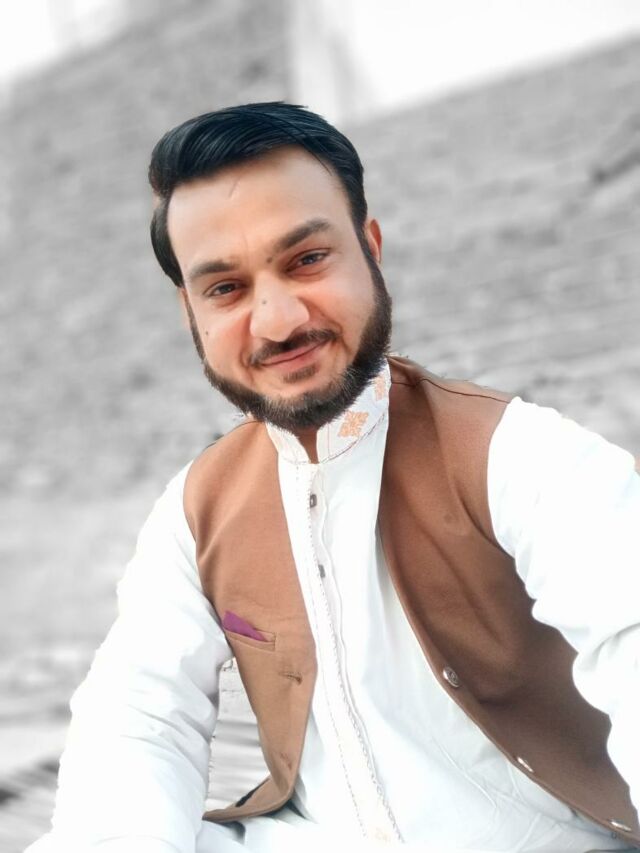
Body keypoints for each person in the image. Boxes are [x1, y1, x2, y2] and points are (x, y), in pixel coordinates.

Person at [28, 102, 640, 853]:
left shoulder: (519, 454)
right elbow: (140, 715)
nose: (277, 321)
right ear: (190, 311)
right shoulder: (197, 508)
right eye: (225, 289)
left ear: (370, 250)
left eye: (307, 260)